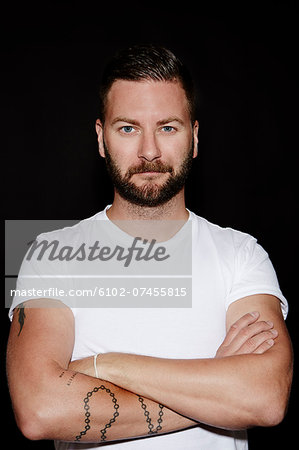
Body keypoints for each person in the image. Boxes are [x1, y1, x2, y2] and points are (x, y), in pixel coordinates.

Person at [7, 45, 293, 449]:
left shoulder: (241, 253)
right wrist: (215, 386)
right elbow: (40, 410)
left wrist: (102, 366)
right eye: (127, 128)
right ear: (101, 138)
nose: (149, 151)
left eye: (167, 127)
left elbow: (265, 399)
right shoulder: (48, 252)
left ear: (194, 137)